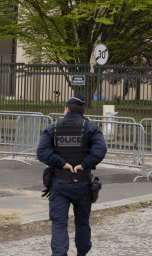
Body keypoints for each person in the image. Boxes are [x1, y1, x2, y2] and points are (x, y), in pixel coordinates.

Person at [37, 94, 107, 256]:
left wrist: (61, 163)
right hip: (82, 183)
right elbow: (100, 150)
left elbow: (42, 152)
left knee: (59, 224)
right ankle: (82, 252)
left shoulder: (53, 128)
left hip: (60, 183)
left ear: (67, 109)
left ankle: (60, 253)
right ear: (82, 111)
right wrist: (84, 164)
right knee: (82, 223)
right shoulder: (90, 128)